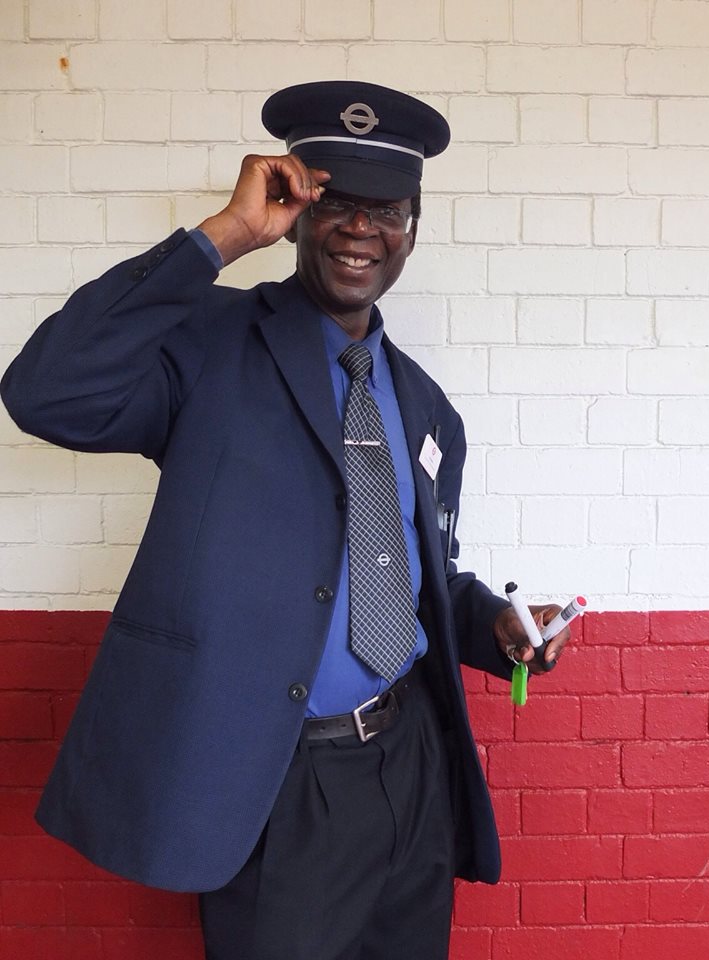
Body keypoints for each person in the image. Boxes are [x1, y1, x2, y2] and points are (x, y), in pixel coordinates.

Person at [0, 81, 570, 960]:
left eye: (386, 211)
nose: (359, 228)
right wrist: (224, 236)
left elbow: (409, 574)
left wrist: (493, 623)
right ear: (298, 212)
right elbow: (46, 393)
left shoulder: (426, 408)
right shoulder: (211, 342)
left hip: (412, 764)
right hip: (280, 779)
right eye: (335, 202)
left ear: (412, 229)